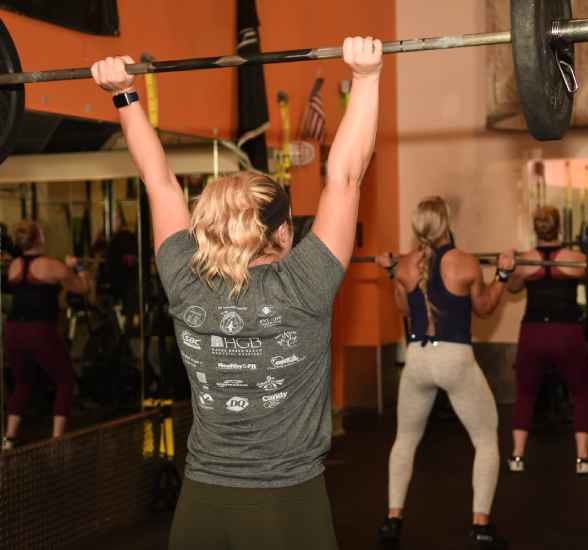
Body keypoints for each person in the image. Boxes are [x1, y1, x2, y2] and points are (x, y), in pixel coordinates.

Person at [91, 35, 382, 550]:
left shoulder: (184, 277)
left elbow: (158, 182)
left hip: (201, 505)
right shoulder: (305, 285)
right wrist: (366, 78)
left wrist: (124, 93)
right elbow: (346, 176)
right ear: (284, 231)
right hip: (286, 505)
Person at [375, 197, 514, 549]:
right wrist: (503, 275)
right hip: (455, 359)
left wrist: (391, 271)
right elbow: (483, 308)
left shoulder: (406, 265)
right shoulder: (465, 262)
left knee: (405, 440)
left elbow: (402, 308)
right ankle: (481, 525)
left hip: (418, 358)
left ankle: (393, 520)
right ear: (445, 223)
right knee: (485, 440)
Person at [506, 206, 588, 475]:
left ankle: (517, 457)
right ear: (559, 228)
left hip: (533, 331)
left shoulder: (525, 261)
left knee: (525, 393)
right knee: (582, 391)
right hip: (566, 332)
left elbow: (511, 287)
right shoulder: (575, 258)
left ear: (536, 229)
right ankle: (582, 459)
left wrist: (512, 264)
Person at [2, 220, 89, 450]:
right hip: (38, 330)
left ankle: (9, 437)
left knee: (22, 382)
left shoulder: (14, 266)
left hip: (12, 331)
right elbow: (82, 287)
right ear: (39, 238)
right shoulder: (51, 266)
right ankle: (57, 440)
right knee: (64, 380)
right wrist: (78, 265)